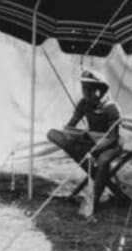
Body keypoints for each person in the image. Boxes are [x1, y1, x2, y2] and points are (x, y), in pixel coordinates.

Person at [46, 69, 123, 218]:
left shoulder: (111, 108)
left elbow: (112, 138)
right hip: (91, 140)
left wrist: (94, 151)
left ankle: (92, 201)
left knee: (103, 161)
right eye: (84, 89)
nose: (85, 93)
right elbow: (71, 124)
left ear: (100, 91)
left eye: (89, 90)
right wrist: (70, 133)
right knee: (53, 134)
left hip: (110, 145)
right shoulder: (84, 103)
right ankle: (102, 180)